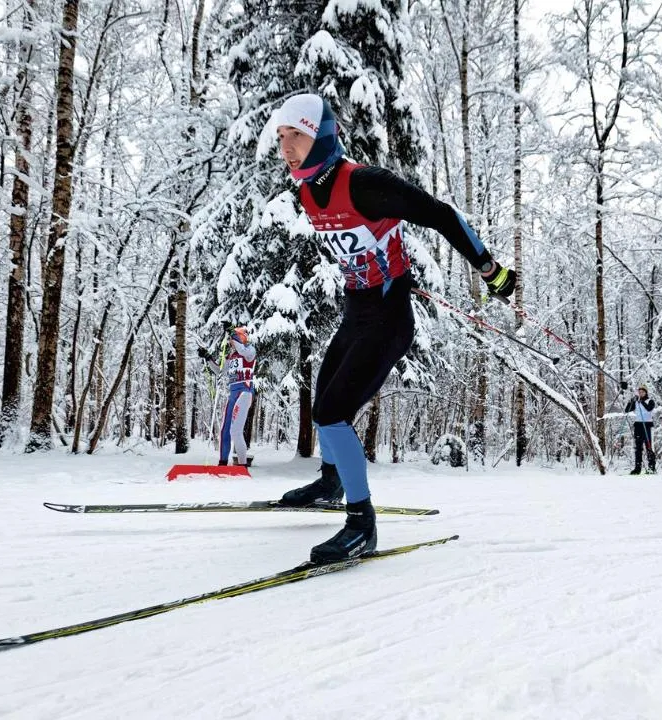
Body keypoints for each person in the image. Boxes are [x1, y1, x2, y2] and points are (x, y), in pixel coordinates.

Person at [271, 93, 516, 563]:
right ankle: (331, 482)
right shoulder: (307, 192)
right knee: (323, 397)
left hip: (388, 318)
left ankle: (361, 525)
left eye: (295, 135)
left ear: (321, 136)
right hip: (357, 311)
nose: (286, 148)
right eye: (281, 137)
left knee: (333, 413)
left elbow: (441, 215)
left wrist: (489, 269)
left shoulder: (365, 183)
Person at [219, 327, 256, 467]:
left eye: (233, 339)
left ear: (241, 337)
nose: (231, 342)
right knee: (225, 430)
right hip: (233, 394)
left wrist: (234, 335)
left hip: (244, 393)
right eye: (230, 340)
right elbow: (220, 371)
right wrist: (207, 358)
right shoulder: (231, 356)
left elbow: (243, 351)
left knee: (235, 431)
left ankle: (242, 465)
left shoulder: (250, 350)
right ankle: (222, 462)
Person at [625, 385, 656, 474]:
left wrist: (641, 401)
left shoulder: (650, 401)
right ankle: (637, 468)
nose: (641, 393)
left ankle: (651, 468)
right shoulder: (636, 402)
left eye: (642, 392)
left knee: (648, 446)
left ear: (646, 392)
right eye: (639, 392)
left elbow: (649, 408)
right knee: (638, 448)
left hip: (647, 425)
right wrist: (631, 401)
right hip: (638, 426)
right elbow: (627, 410)